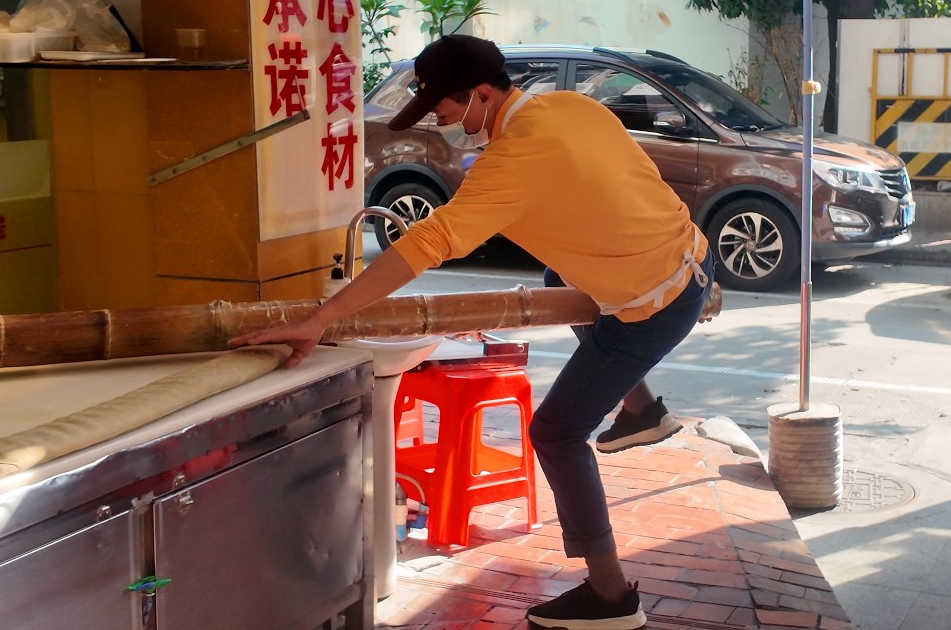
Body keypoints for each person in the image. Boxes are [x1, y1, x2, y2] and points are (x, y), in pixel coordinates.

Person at [229, 34, 713, 630]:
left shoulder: (510, 161)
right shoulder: (570, 106)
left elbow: (426, 244)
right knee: (557, 274)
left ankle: (612, 598)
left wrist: (320, 318)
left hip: (654, 304)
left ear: (482, 93)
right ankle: (642, 411)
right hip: (692, 254)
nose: (440, 119)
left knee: (556, 433)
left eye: (444, 107)